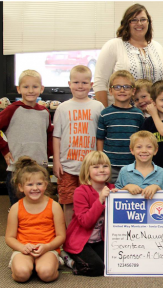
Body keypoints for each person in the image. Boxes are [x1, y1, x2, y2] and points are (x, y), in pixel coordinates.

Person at [0, 70, 53, 206]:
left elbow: (49, 134)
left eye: (35, 87)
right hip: (17, 168)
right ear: (19, 89)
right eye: (26, 87)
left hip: (39, 168)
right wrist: (4, 150)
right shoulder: (12, 109)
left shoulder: (45, 113)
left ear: (41, 89)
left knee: (40, 204)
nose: (30, 90)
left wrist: (48, 154)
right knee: (18, 205)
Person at [53, 65, 105, 226]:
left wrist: (100, 160)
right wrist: (56, 161)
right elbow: (57, 136)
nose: (80, 86)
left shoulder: (98, 107)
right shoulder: (62, 108)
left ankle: (88, 239)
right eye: (76, 82)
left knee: (90, 202)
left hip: (90, 167)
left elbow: (100, 136)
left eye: (84, 82)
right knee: (68, 203)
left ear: (91, 85)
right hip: (67, 166)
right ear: (69, 84)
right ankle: (68, 239)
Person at [94, 3, 163, 107]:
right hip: (121, 115)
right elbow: (100, 83)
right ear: (127, 23)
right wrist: (106, 114)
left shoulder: (158, 47)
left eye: (143, 19)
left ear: (148, 22)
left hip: (155, 115)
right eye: (134, 20)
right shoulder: (113, 45)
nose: (139, 23)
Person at [5, 157, 65, 283]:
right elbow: (9, 238)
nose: (35, 188)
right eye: (30, 184)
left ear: (46, 184)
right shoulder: (16, 208)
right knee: (22, 274)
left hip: (48, 249)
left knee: (46, 274)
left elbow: (61, 236)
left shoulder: (54, 206)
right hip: (23, 249)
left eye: (39, 184)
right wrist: (22, 248)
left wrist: (47, 246)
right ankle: (23, 266)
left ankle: (49, 264)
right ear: (21, 187)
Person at [63, 151, 116, 276]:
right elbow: (86, 222)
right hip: (80, 241)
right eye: (96, 167)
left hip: (99, 240)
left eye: (105, 166)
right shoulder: (80, 192)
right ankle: (69, 260)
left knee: (113, 264)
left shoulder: (113, 188)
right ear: (87, 171)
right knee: (96, 268)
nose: (101, 170)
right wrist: (100, 200)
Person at [96, 70, 145, 183]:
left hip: (133, 165)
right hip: (110, 165)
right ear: (110, 90)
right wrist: (101, 161)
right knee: (110, 195)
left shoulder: (138, 114)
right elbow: (100, 138)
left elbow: (142, 138)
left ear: (133, 91)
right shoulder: (105, 113)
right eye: (117, 87)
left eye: (126, 87)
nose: (122, 90)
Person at [115, 131, 163, 198]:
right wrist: (127, 187)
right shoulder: (124, 171)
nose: (144, 150)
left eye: (149, 147)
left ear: (155, 150)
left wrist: (157, 188)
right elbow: (115, 195)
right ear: (132, 150)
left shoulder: (162, 173)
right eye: (139, 147)